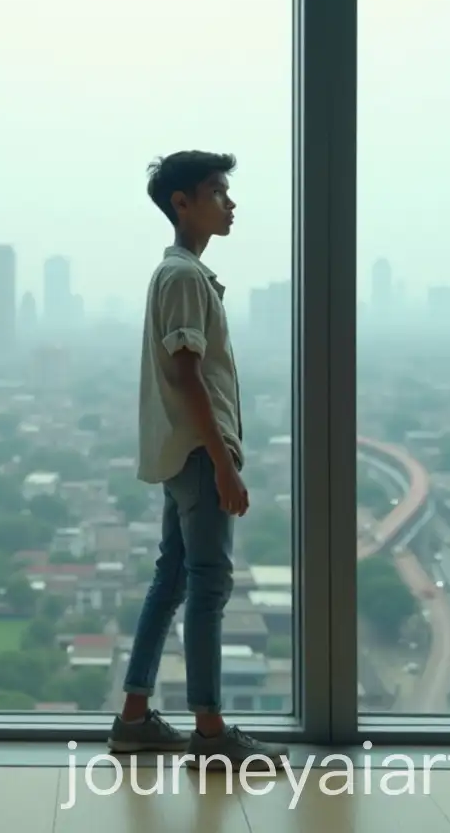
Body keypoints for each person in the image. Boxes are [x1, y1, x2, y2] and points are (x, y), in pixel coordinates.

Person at [107, 151, 288, 768]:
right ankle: (210, 733)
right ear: (181, 203)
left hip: (181, 455)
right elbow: (188, 376)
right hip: (199, 457)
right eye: (217, 192)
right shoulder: (183, 277)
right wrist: (225, 462)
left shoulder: (180, 275)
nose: (229, 203)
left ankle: (135, 718)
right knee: (209, 586)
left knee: (174, 580)